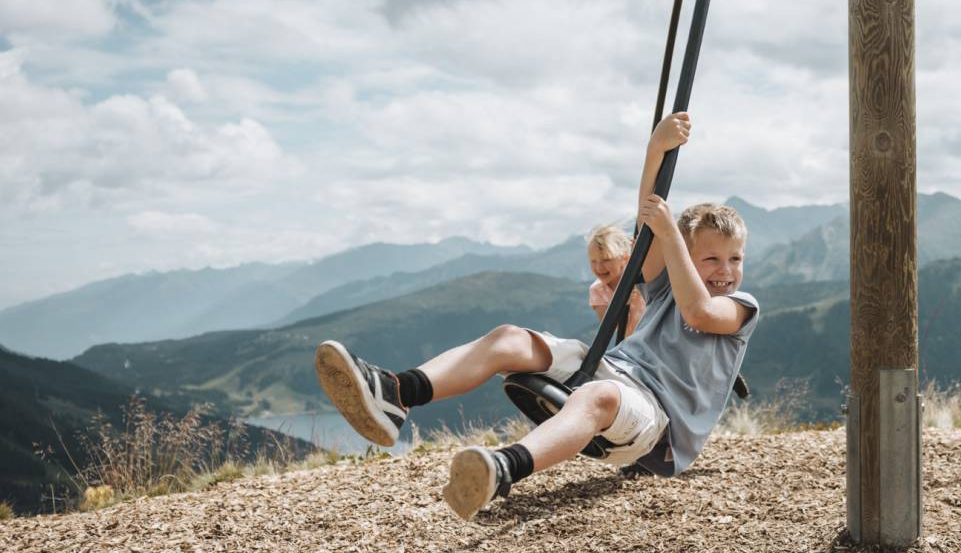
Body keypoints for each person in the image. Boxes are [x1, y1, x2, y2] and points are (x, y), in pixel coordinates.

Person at [312, 112, 759, 518]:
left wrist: (670, 233)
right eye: (712, 260)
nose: (726, 271)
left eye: (735, 259)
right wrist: (655, 152)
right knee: (509, 338)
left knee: (597, 396)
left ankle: (503, 468)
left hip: (659, 429)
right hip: (618, 373)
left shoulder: (740, 308)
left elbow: (699, 312)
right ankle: (396, 393)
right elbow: (647, 230)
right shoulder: (665, 285)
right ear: (688, 257)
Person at [585, 223, 646, 337]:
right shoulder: (598, 291)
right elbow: (614, 327)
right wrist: (625, 298)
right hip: (633, 343)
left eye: (606, 259)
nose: (599, 267)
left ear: (625, 258)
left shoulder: (641, 278)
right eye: (594, 261)